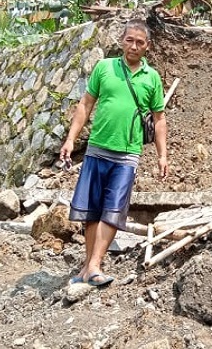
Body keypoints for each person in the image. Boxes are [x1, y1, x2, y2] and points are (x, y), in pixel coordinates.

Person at [60, 19, 168, 287]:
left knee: (113, 209)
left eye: (139, 42)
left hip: (128, 153)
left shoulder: (151, 78)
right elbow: (85, 104)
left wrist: (162, 155)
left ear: (148, 46)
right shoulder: (104, 68)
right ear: (122, 40)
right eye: (129, 40)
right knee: (91, 209)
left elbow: (159, 119)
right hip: (97, 148)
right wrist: (71, 139)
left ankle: (95, 264)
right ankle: (88, 267)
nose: (134, 46)